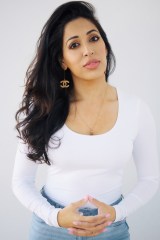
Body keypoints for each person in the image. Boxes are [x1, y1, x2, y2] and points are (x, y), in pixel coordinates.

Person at [12, 1, 159, 240]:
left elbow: (150, 179)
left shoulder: (136, 109)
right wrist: (56, 217)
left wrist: (116, 213)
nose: (88, 50)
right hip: (51, 227)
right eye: (74, 45)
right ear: (62, 61)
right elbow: (21, 181)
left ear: (105, 45)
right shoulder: (43, 107)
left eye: (93, 39)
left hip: (110, 228)